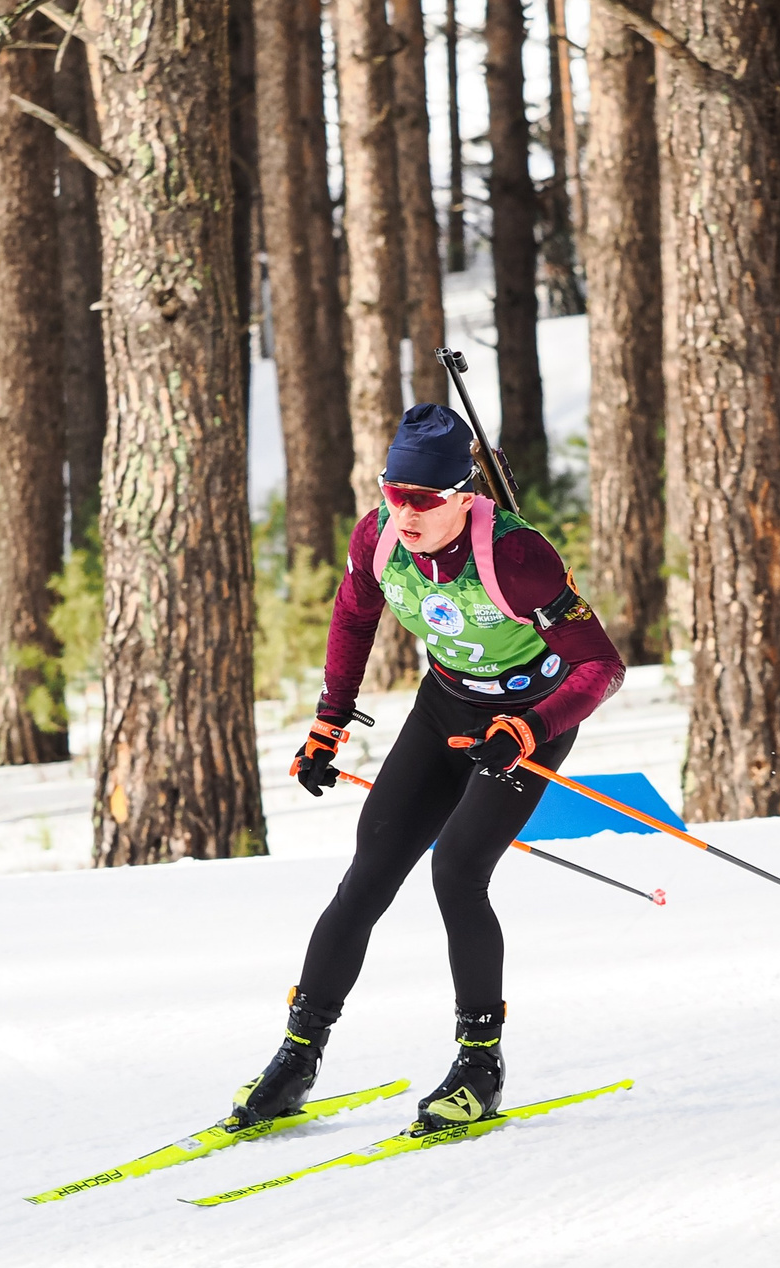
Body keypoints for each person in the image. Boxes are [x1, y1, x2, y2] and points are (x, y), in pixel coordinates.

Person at [231, 403, 625, 1134]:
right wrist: (328, 722)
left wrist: (529, 729)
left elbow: (602, 666)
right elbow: (355, 616)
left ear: (464, 495)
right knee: (369, 871)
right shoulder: (379, 536)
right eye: (393, 492)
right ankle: (297, 1057)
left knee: (458, 871)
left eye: (422, 498)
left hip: (527, 718)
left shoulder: (517, 556)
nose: (404, 513)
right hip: (445, 708)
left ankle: (479, 1065)